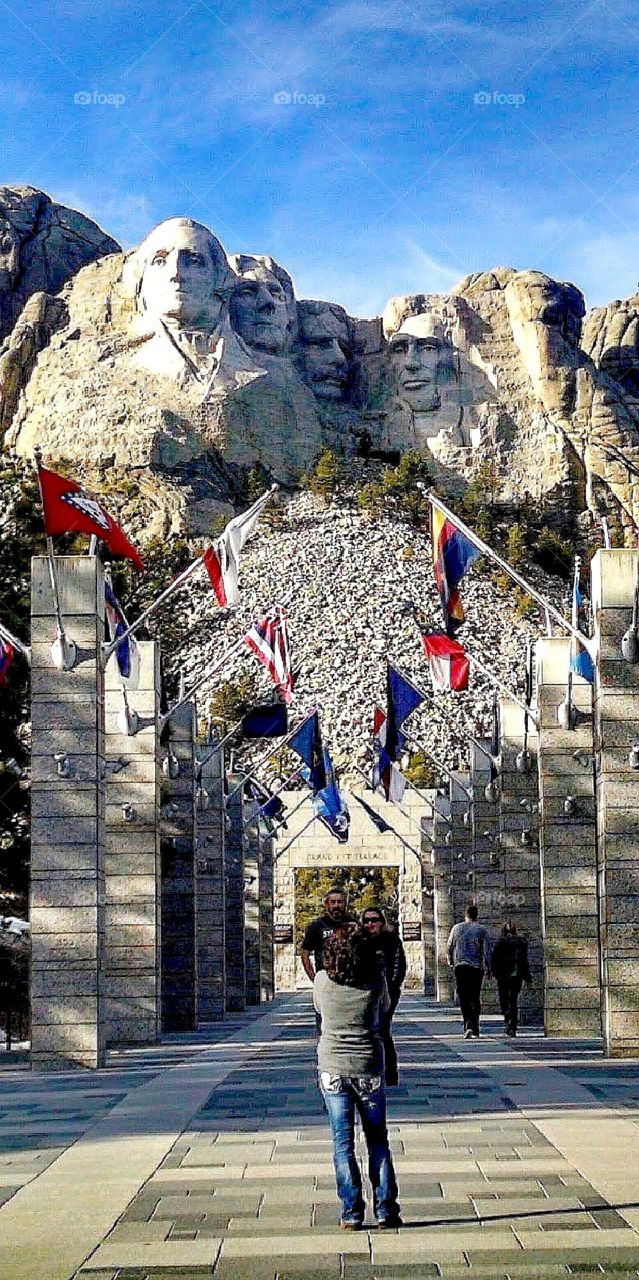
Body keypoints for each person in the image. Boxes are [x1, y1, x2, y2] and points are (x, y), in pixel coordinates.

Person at [313, 925, 402, 1230]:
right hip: (368, 1064)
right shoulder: (376, 980)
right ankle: (386, 1209)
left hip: (332, 1067)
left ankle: (351, 1212)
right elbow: (384, 1011)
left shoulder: (322, 980)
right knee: (377, 1139)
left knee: (342, 1143)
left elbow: (319, 1012)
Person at [361, 907, 406, 1087]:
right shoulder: (360, 941)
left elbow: (399, 965)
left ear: (381, 921)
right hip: (364, 993)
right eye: (366, 920)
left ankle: (390, 1073)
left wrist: (392, 988)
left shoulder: (391, 940)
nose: (370, 924)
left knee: (382, 1030)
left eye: (374, 919)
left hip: (387, 992)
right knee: (369, 1031)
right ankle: (369, 1070)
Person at [446, 902, 491, 1039]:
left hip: (461, 967)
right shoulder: (481, 930)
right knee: (475, 997)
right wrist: (488, 968)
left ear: (465, 915)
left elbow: (449, 947)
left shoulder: (456, 928)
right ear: (476, 916)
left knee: (464, 997)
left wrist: (451, 962)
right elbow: (486, 951)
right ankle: (475, 1028)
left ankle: (468, 1025)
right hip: (476, 968)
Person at [490, 921, 532, 1037]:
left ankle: (508, 1020)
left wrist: (493, 972)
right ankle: (512, 1024)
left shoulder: (500, 943)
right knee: (513, 1000)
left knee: (504, 1000)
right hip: (516, 975)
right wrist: (527, 977)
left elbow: (495, 960)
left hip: (503, 976)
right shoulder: (521, 943)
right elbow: (524, 961)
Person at [300, 888, 350, 982]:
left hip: (349, 979)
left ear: (345, 904)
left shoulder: (353, 925)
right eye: (333, 902)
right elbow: (305, 954)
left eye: (340, 902)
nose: (336, 905)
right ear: (327, 905)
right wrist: (314, 979)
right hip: (325, 978)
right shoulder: (316, 926)